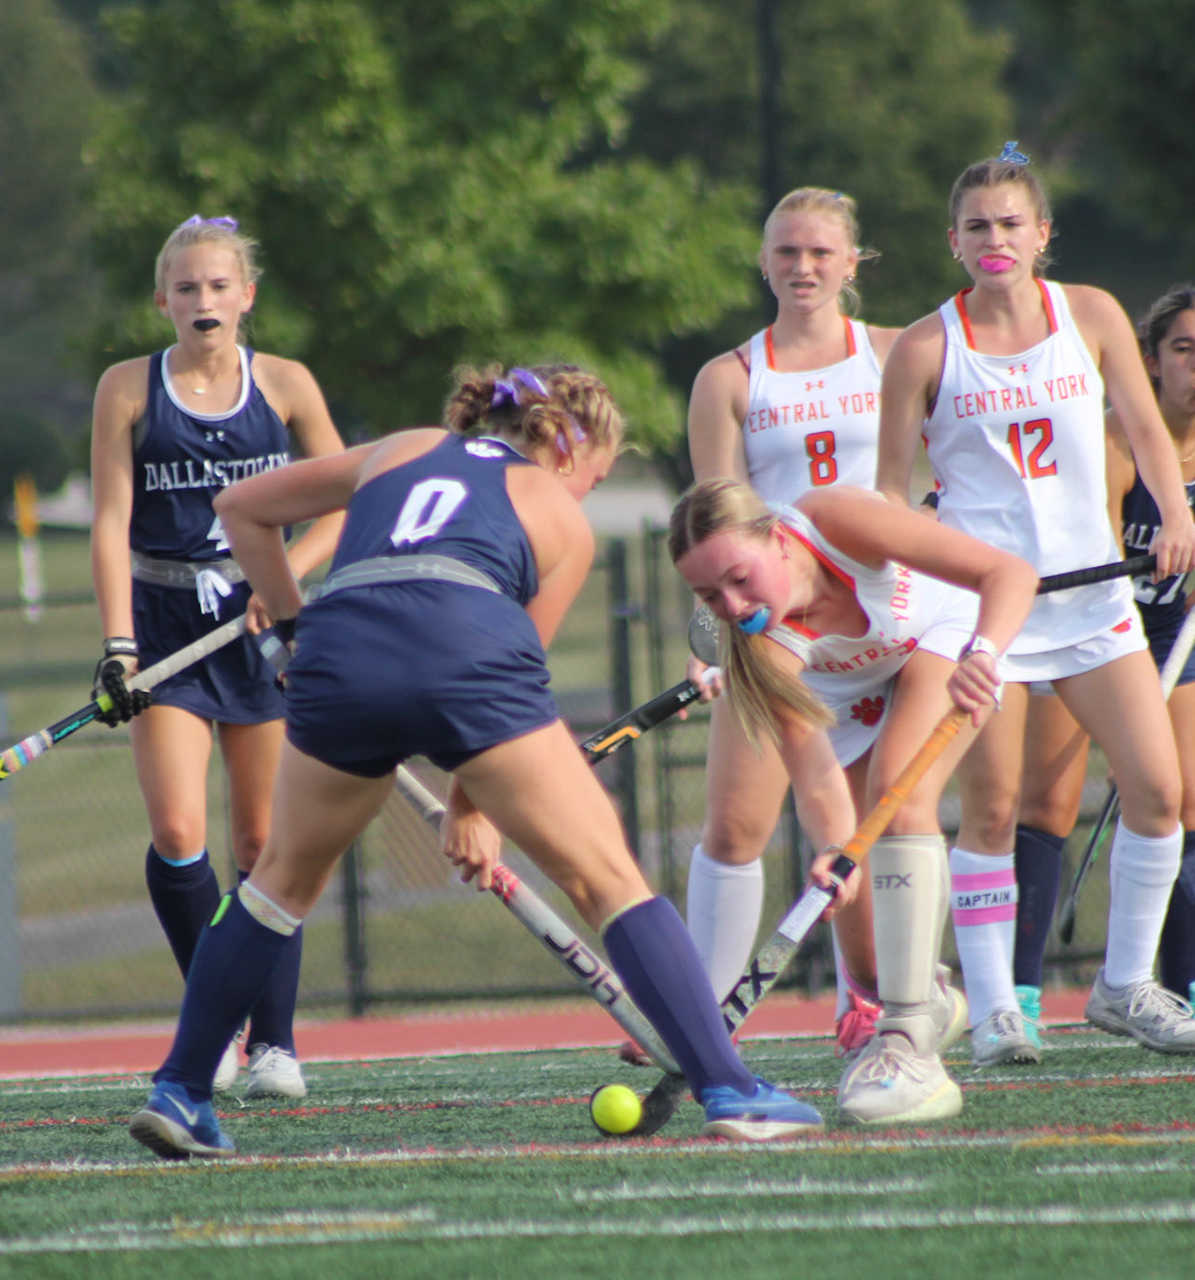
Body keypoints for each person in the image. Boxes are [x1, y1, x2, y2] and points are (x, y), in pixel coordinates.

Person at [128, 365, 825, 1158]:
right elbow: (515, 675)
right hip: (467, 656)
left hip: (339, 657)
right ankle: (730, 1088)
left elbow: (239, 509)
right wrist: (471, 804)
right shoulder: (560, 519)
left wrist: (293, 632)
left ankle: (182, 1090)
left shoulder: (401, 447)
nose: (584, 495)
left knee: (276, 885)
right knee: (607, 879)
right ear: (568, 448)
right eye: (594, 479)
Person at [875, 146, 1195, 1067]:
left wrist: (1176, 514)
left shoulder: (1091, 314)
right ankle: (995, 1010)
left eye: (1011, 224)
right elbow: (889, 490)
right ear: (953, 241)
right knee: (993, 809)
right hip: (986, 613)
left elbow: (1144, 429)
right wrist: (908, 568)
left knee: (1160, 792)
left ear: (1042, 235)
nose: (995, 239)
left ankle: (1124, 985)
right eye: (977, 226)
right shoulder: (925, 346)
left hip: (1092, 597)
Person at [671, 478, 1035, 1122]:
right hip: (849, 687)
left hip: (943, 635)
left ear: (779, 540)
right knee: (869, 964)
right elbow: (815, 779)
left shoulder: (835, 520)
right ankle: (924, 1000)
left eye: (739, 579)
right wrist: (837, 851)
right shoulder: (762, 652)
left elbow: (1007, 573)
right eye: (709, 597)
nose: (732, 606)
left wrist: (984, 653)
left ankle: (911, 1048)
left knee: (899, 791)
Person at [91, 215, 346, 1099]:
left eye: (219, 285)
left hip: (260, 629)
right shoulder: (127, 388)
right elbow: (110, 522)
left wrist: (285, 582)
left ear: (247, 296)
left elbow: (344, 500)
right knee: (177, 834)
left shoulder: (285, 384)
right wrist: (118, 644)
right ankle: (219, 1018)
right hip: (166, 632)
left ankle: (274, 1042)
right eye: (187, 287)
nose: (204, 300)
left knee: (264, 840)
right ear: (162, 299)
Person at [1010, 286, 1195, 1050]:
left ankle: (1192, 989)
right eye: (1182, 349)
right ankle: (1020, 995)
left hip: (1167, 630)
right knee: (1050, 804)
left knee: (1183, 799)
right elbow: (1097, 542)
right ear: (1150, 362)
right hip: (1086, 630)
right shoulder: (1114, 440)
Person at [681, 188, 907, 1057]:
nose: (803, 267)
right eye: (786, 252)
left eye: (820, 252)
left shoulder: (896, 354)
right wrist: (712, 641)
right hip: (774, 633)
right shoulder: (730, 378)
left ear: (852, 262)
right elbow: (711, 524)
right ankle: (701, 1017)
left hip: (878, 621)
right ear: (764, 262)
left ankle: (873, 1001)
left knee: (862, 826)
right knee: (736, 826)